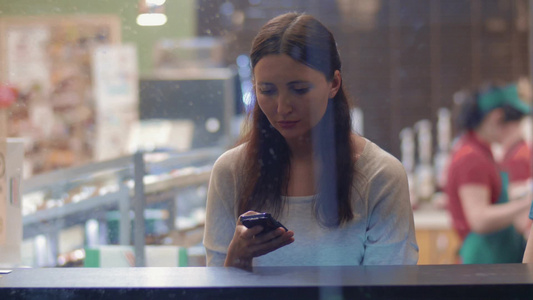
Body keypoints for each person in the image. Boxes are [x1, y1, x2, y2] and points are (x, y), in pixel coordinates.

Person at [203, 12, 418, 270]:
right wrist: (236, 257)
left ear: (334, 83)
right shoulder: (231, 172)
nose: (282, 107)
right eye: (267, 90)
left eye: (300, 89)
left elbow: (389, 291)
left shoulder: (380, 176)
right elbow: (215, 289)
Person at [445, 83, 532, 264]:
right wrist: (527, 204)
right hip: (483, 261)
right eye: (510, 122)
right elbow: (479, 219)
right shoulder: (471, 157)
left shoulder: (481, 152)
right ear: (495, 117)